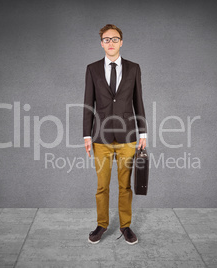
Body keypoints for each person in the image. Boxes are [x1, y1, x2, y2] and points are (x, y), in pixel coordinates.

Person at [83, 24, 147, 245]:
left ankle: (125, 226)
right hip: (100, 137)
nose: (110, 43)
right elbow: (88, 104)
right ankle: (101, 225)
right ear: (101, 43)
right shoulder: (92, 69)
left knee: (125, 186)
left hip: (128, 136)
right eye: (106, 39)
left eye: (115, 39)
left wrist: (143, 132)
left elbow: (138, 101)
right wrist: (86, 136)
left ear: (121, 42)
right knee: (102, 186)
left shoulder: (133, 68)